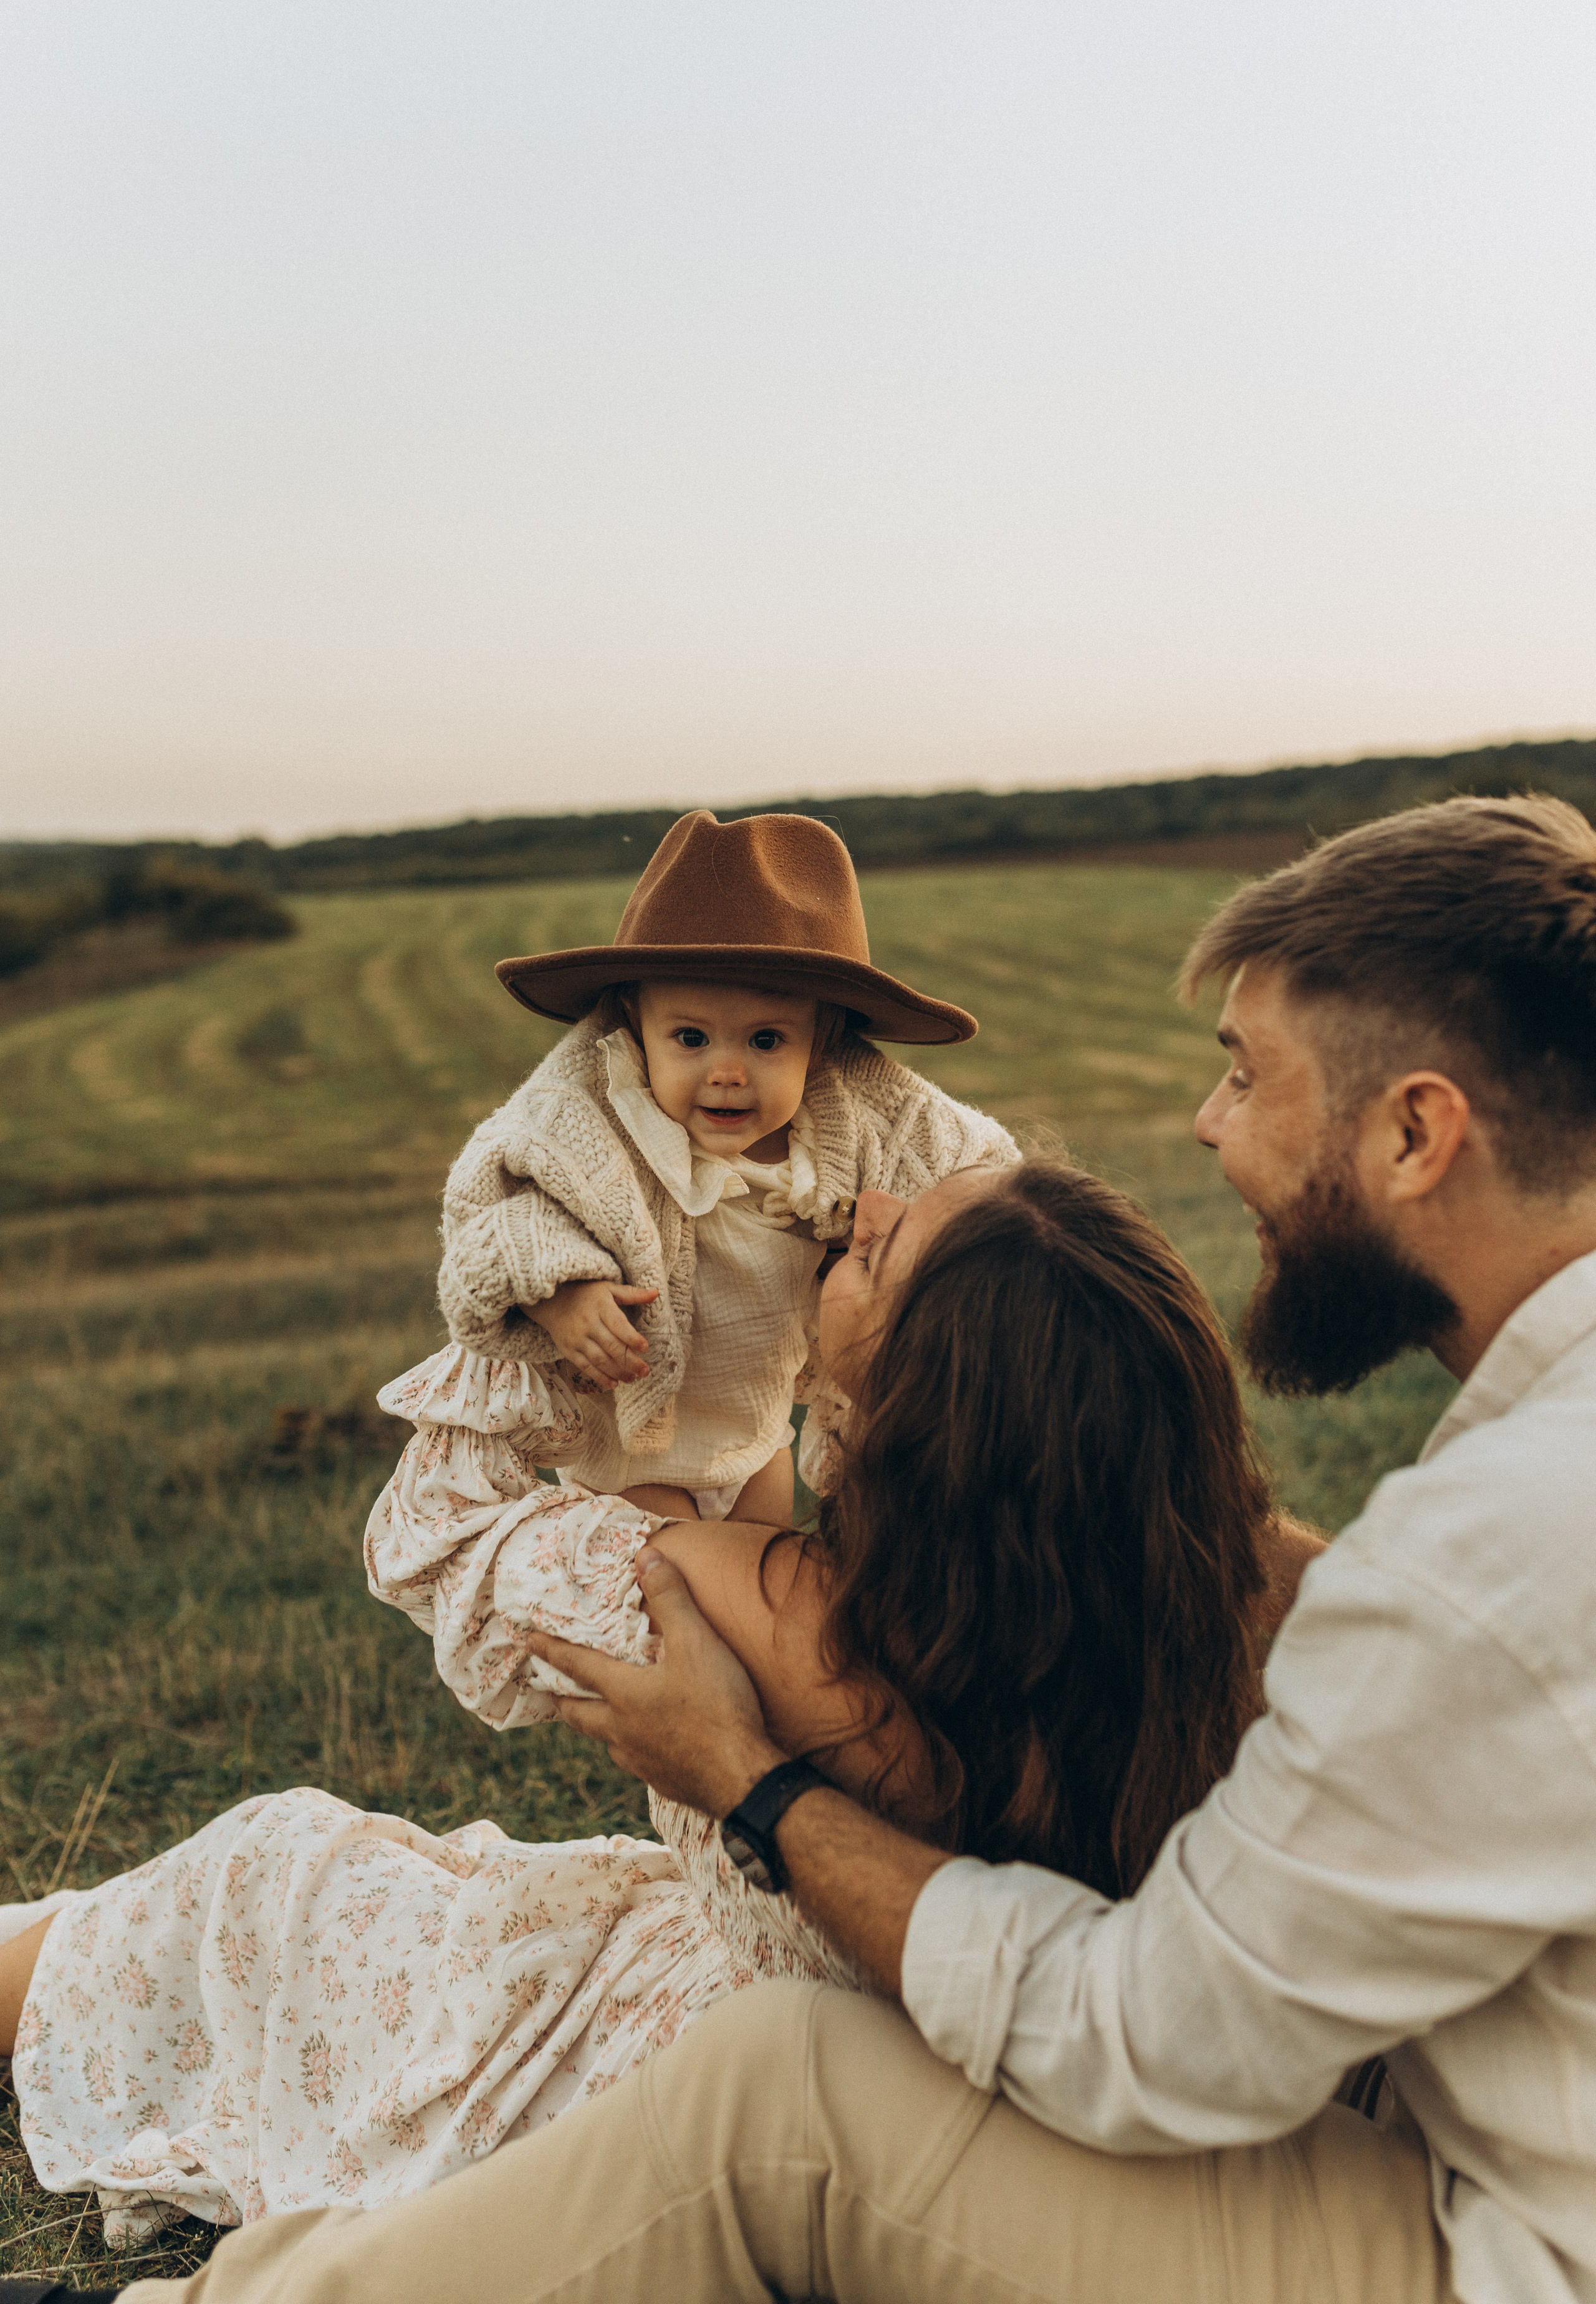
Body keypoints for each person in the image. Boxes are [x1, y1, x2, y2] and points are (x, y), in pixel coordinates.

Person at [84, 789, 1596, 2304]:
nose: (1205, 1122)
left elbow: (1153, 2042)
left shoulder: (1479, 1558)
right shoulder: (1505, 1495)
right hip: (1462, 2139)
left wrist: (753, 1784)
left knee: (783, 2091)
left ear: (1414, 1129)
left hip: (1492, 2252)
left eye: (1243, 1072)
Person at [0, 1159, 1307, 2255]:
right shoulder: (1226, 1618)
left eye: (882, 1249)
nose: (858, 1214)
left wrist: (594, 1319)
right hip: (922, 2081)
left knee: (272, 1878)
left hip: (702, 2097)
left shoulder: (729, 1607)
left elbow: (436, 1535)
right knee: (434, 1888)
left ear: (930, 1392)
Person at [435, 804, 1017, 1525]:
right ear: (634, 1029)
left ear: (822, 1043)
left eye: (767, 1041)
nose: (729, 1072)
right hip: (633, 1455)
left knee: (761, 1591)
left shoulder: (842, 1149)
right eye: (690, 1037)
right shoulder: (608, 1138)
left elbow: (971, 1175)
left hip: (756, 1439)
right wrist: (562, 1299)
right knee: (664, 1608)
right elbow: (505, 1222)